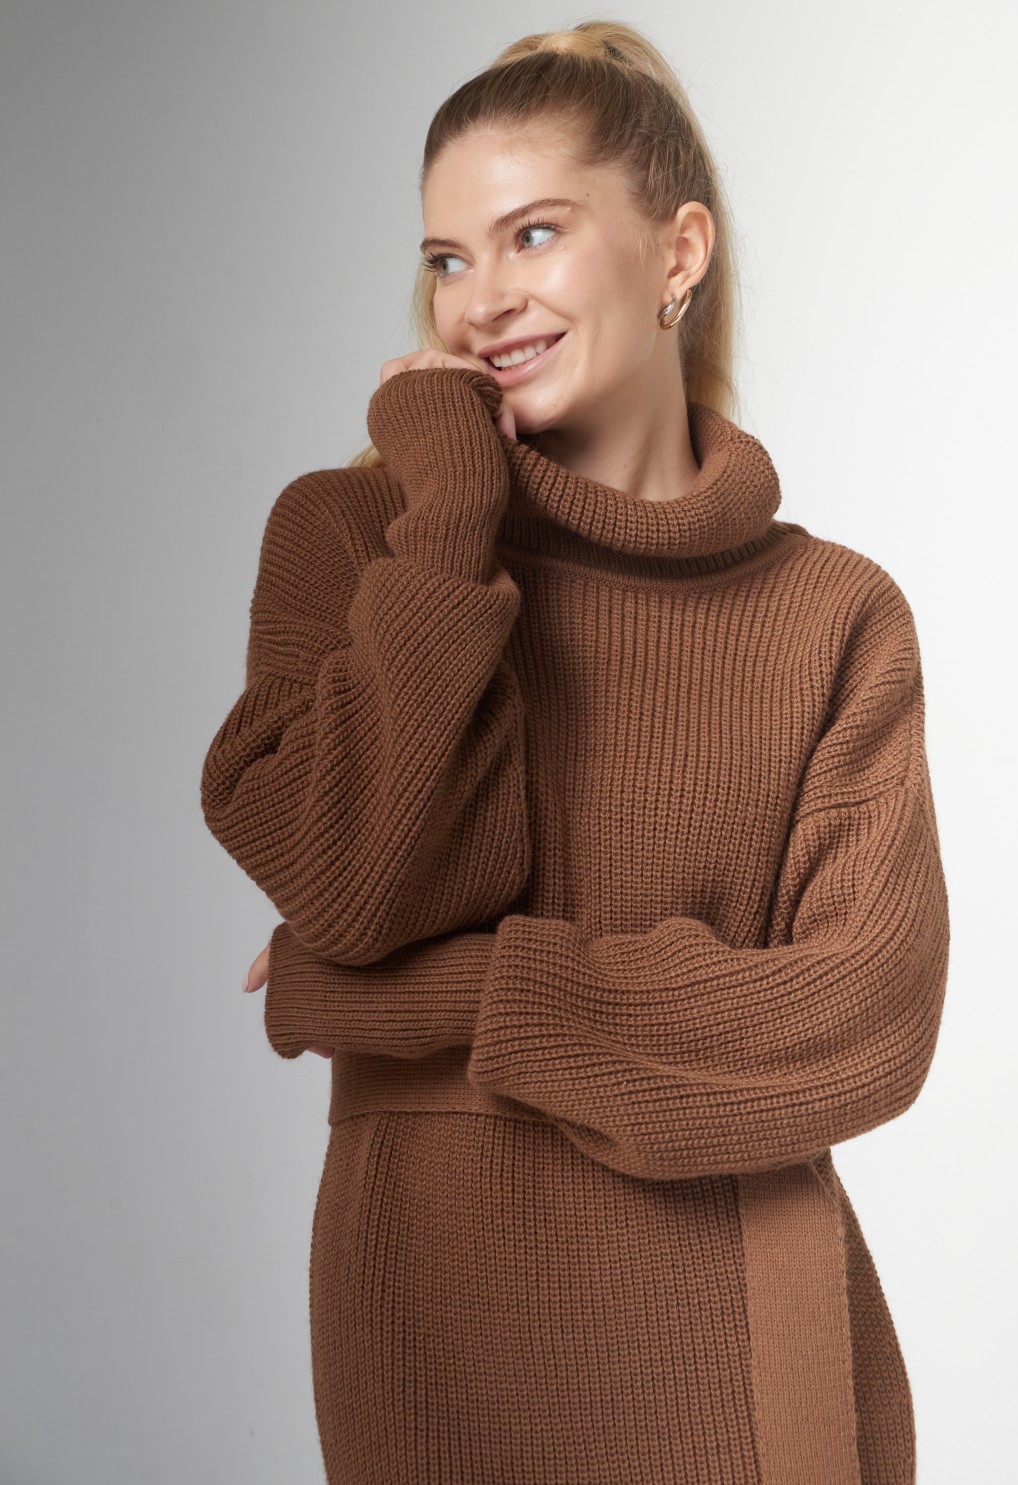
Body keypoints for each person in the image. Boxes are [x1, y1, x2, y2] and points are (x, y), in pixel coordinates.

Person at [200, 20, 950, 1485]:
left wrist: (426, 998)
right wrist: (450, 517)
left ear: (679, 252)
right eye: (447, 258)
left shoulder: (831, 612)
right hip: (437, 1344)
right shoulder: (352, 539)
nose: (481, 299)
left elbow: (864, 1018)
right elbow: (357, 885)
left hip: (754, 1351)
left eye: (531, 234)